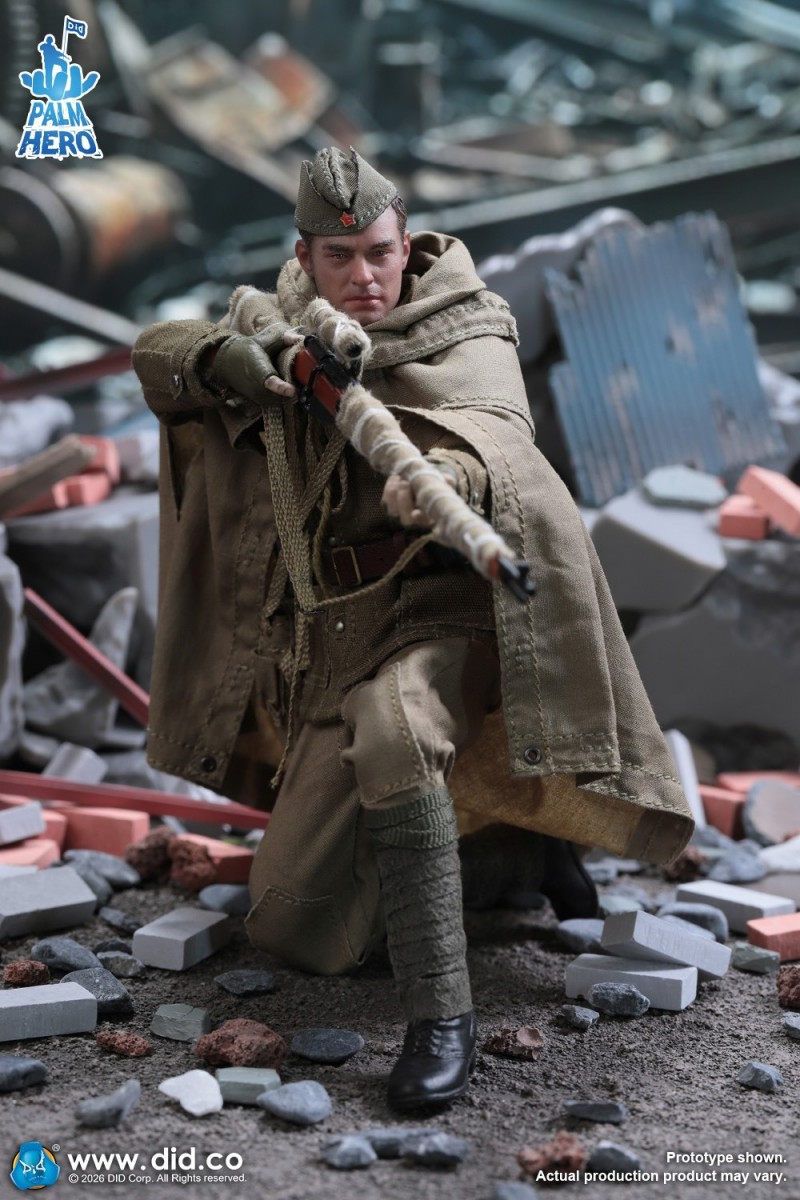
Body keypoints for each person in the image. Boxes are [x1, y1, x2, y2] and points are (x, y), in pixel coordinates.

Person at [132, 147, 693, 1111]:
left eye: (380, 253)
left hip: (448, 609)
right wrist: (219, 362)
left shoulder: (467, 322)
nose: (365, 277)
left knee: (397, 732)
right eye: (340, 257)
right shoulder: (274, 325)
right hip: (331, 634)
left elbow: (498, 437)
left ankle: (444, 1019)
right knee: (294, 928)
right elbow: (158, 354)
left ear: (406, 245)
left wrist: (450, 480)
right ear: (305, 258)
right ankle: (508, 855)